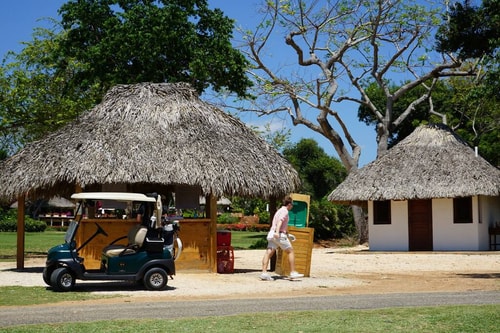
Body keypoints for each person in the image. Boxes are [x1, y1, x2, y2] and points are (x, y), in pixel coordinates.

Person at [260, 196, 304, 281]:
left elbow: (279, 223)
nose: (292, 206)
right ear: (289, 204)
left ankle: (264, 272)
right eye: (292, 204)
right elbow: (280, 221)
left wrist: (287, 234)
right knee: (290, 251)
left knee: (268, 252)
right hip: (279, 235)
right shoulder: (285, 211)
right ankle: (292, 272)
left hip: (273, 235)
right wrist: (278, 232)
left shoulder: (279, 210)